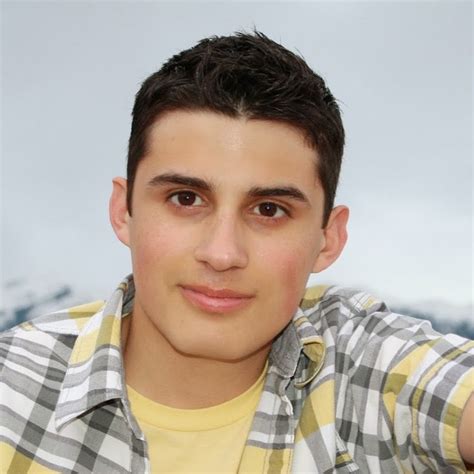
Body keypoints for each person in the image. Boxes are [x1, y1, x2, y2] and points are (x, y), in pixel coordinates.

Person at [0, 30, 473, 474]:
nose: (222, 253)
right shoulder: (11, 387)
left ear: (328, 238)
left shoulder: (361, 370)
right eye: (186, 199)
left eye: (269, 209)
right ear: (123, 210)